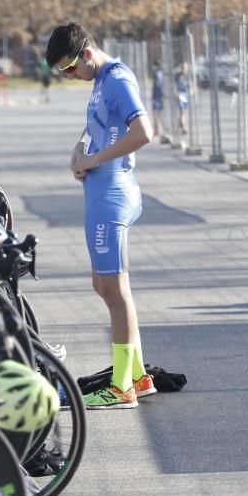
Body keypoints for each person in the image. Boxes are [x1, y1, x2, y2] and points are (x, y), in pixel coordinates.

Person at [45, 22, 157, 410]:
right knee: (104, 285)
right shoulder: (101, 80)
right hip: (101, 193)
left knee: (114, 291)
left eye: (69, 68)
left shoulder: (116, 78)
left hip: (111, 196)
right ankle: (139, 376)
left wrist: (95, 159)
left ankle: (122, 386)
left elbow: (144, 131)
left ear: (87, 54)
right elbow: (97, 123)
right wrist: (80, 150)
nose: (68, 76)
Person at [176, 62, 191, 135]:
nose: (185, 69)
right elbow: (175, 86)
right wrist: (177, 94)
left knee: (184, 112)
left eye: (186, 67)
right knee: (182, 112)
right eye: (184, 67)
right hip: (181, 95)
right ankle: (183, 128)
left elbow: (190, 86)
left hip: (186, 95)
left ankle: (179, 126)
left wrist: (191, 90)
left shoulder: (187, 76)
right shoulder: (179, 76)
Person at [151, 61, 164, 137]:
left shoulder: (156, 74)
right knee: (158, 113)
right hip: (160, 96)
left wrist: (153, 95)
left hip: (157, 96)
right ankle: (159, 129)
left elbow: (157, 86)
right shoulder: (162, 73)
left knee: (155, 114)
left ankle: (157, 129)